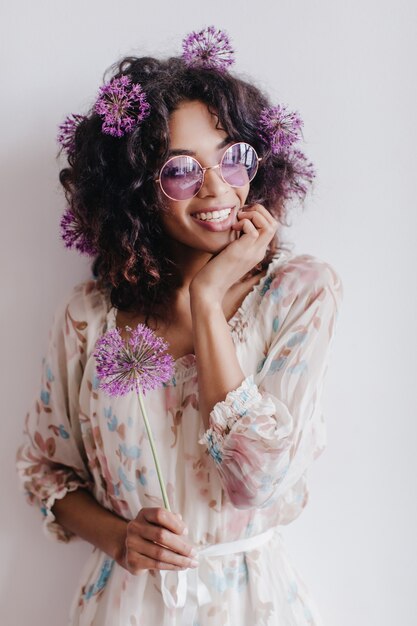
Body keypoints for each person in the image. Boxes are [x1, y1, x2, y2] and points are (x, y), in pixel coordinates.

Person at [16, 26, 343, 626]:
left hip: (251, 604)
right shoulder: (90, 319)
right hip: (125, 606)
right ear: (138, 191)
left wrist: (208, 296)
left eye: (233, 156)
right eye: (180, 170)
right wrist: (117, 538)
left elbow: (256, 481)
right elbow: (44, 470)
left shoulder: (301, 292)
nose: (218, 187)